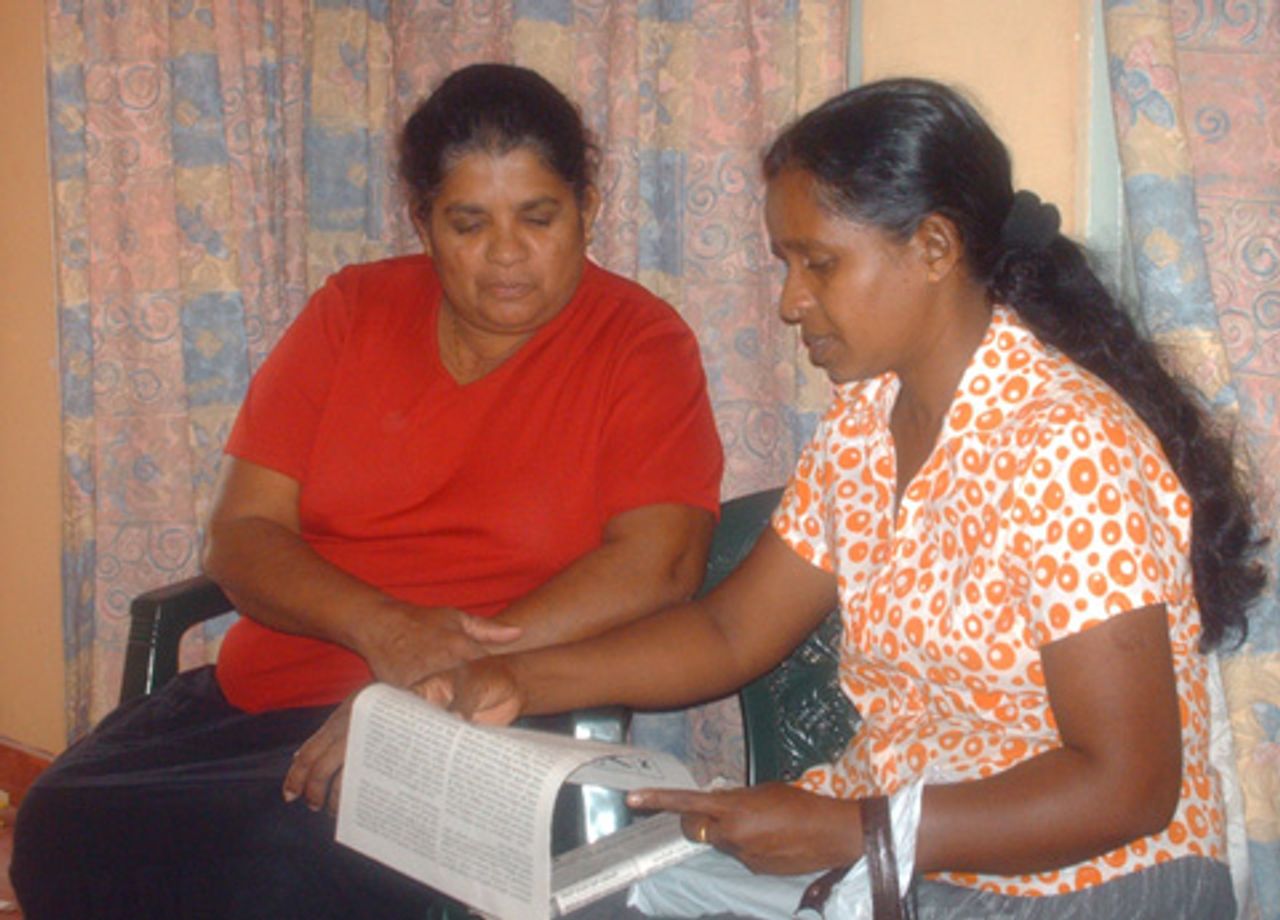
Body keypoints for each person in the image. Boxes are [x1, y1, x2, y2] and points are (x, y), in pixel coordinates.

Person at [418, 78, 1266, 919]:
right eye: (786, 264)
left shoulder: (1068, 446)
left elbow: (1127, 788)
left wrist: (858, 830)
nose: (791, 302)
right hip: (897, 861)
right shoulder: (863, 424)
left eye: (819, 263)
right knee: (581, 901)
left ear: (934, 249)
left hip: (1090, 883)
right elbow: (728, 632)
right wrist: (514, 680)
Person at [11, 63, 723, 920]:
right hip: (261, 700)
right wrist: (385, 629)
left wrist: (436, 681)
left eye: (539, 218)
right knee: (56, 825)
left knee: (274, 871)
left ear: (588, 207)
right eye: (469, 223)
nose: (507, 254)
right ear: (422, 221)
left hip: (480, 717)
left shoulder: (639, 343)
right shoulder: (353, 310)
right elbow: (241, 534)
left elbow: (660, 563)